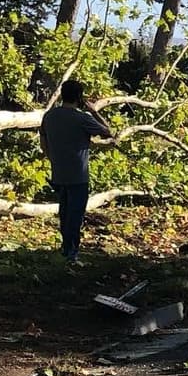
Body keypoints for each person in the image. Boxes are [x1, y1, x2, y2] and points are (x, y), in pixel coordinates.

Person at [39, 80, 112, 265]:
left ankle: (65, 249)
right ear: (79, 97)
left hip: (59, 173)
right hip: (78, 175)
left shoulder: (49, 116)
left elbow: (43, 142)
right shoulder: (83, 118)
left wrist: (53, 159)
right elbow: (107, 132)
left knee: (64, 213)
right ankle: (72, 253)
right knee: (75, 215)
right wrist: (94, 111)